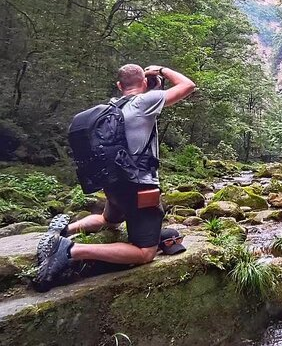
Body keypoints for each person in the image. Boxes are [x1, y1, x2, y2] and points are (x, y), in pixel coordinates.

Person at [34, 64, 195, 290]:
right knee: (145, 252)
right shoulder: (145, 103)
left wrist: (148, 86)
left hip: (114, 183)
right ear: (145, 82)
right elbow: (188, 85)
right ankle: (69, 249)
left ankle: (64, 229)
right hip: (139, 187)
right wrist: (161, 69)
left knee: (108, 220)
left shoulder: (112, 107)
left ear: (119, 86)